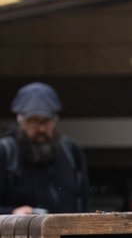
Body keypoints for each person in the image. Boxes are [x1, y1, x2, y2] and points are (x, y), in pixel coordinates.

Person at [0, 82, 88, 215]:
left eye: (46, 121)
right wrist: (12, 212)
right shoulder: (5, 152)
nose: (41, 128)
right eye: (34, 120)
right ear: (20, 119)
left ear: (55, 120)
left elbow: (82, 202)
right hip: (18, 233)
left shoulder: (70, 150)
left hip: (66, 233)